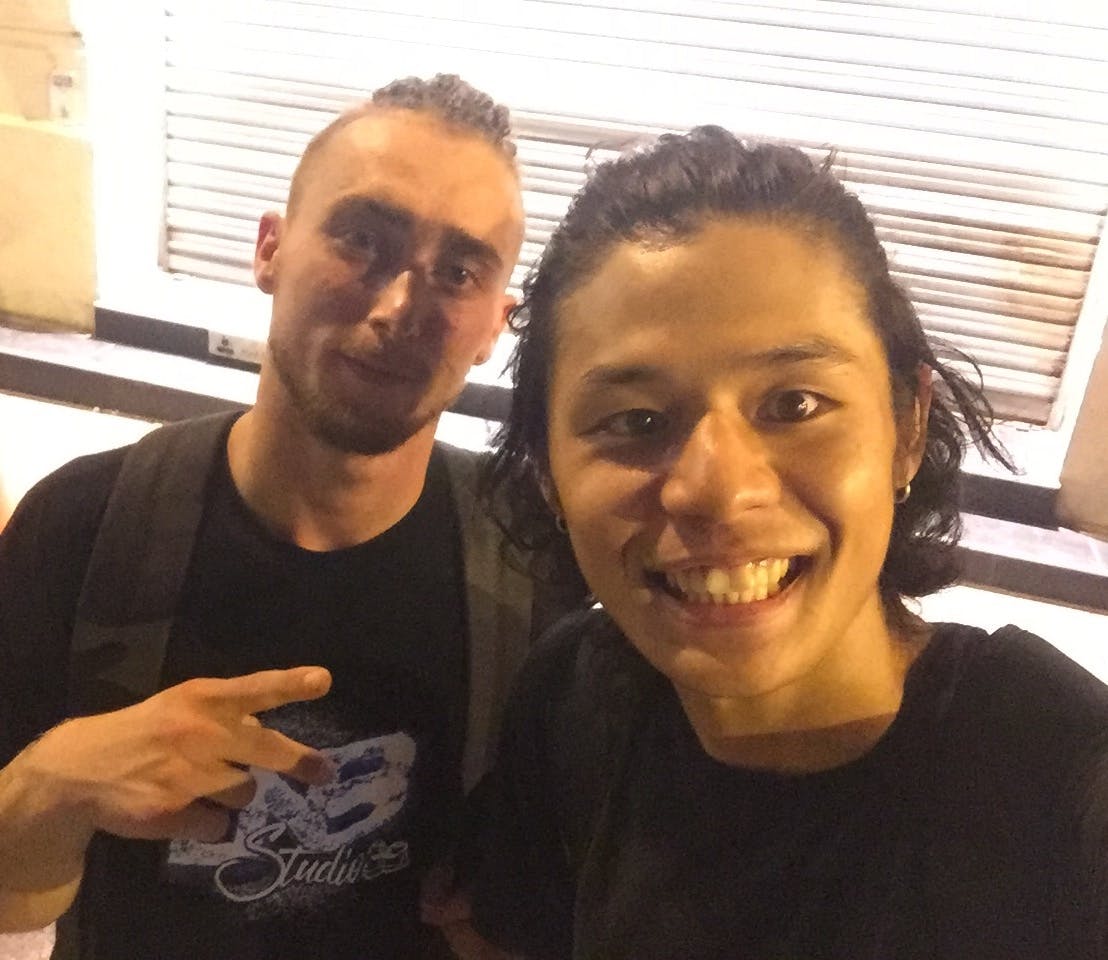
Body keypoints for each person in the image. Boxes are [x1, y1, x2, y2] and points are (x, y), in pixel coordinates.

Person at [462, 127, 1108, 959]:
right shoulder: (571, 702)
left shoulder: (1066, 789)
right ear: (548, 472)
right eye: (636, 421)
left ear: (907, 428)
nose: (717, 489)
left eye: (795, 405)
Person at [0, 74, 582, 958]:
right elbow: (13, 901)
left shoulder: (536, 560)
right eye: (362, 239)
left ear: (494, 325)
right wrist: (52, 783)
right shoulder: (86, 525)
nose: (398, 307)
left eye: (458, 272)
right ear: (270, 248)